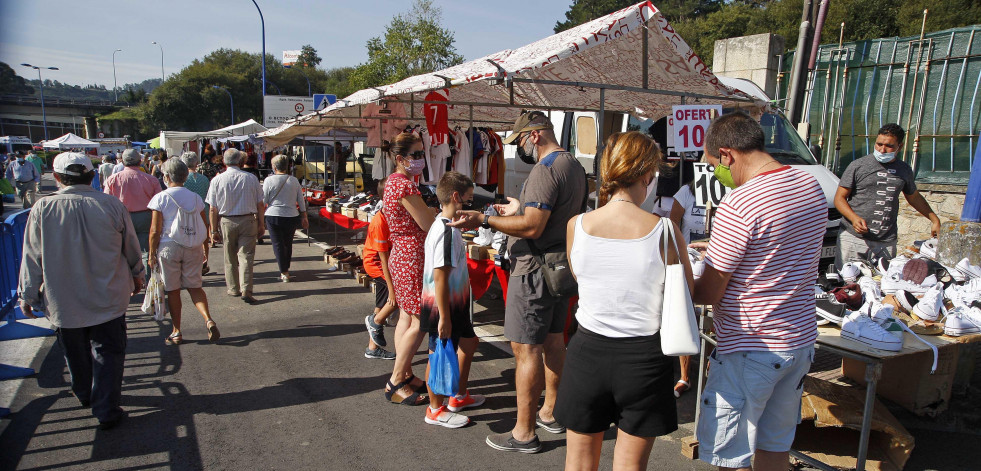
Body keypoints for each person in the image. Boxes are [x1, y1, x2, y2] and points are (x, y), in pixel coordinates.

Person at [692, 113, 826, 471]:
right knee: (774, 448)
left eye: (714, 165)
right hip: (798, 341)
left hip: (752, 346)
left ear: (727, 154)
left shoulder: (740, 203)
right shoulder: (809, 185)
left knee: (728, 456)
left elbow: (709, 291)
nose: (718, 174)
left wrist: (683, 278)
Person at [450, 111, 588, 453]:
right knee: (555, 341)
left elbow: (533, 227)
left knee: (526, 349)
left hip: (535, 270)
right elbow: (547, 216)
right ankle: (551, 413)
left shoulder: (545, 169)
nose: (521, 148)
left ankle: (524, 432)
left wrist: (485, 218)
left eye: (521, 140)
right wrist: (516, 209)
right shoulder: (573, 165)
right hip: (560, 266)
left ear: (535, 135)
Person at [555, 131, 691, 470]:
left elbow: (580, 277)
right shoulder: (665, 231)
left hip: (587, 353)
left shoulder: (577, 225)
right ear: (647, 174)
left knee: (579, 464)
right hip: (644, 358)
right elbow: (686, 290)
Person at [18, 152, 144, 430]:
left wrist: (27, 295)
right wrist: (138, 275)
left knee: (75, 353)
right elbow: (131, 247)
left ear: (59, 178)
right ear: (91, 176)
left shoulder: (43, 208)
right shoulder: (111, 205)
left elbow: (31, 256)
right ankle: (107, 408)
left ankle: (85, 394)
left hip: (64, 299)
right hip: (108, 296)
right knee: (109, 353)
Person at [419, 171, 485, 428]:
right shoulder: (446, 231)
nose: (470, 206)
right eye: (468, 201)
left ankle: (457, 396)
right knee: (437, 353)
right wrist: (444, 318)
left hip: (454, 304)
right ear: (456, 197)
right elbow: (440, 277)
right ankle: (435, 408)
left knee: (468, 343)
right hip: (443, 306)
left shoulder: (444, 225)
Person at [834, 123, 941, 268]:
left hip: (886, 242)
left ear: (900, 147)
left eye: (889, 146)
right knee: (848, 285)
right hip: (854, 238)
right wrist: (854, 219)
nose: (882, 150)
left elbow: (914, 197)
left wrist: (934, 220)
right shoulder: (857, 166)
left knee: (882, 285)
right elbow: (839, 198)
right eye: (879, 144)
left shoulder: (904, 170)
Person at [382, 132, 433, 406]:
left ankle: (406, 373)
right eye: (416, 155)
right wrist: (439, 212)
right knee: (418, 321)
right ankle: (396, 379)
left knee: (406, 317)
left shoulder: (393, 182)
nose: (421, 160)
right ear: (400, 159)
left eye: (421, 154)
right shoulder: (406, 186)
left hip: (402, 254)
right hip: (411, 255)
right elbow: (425, 222)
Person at [147, 159, 219, 345]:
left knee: (173, 290)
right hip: (192, 245)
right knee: (195, 287)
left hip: (168, 246)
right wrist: (205, 249)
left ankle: (177, 331)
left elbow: (155, 230)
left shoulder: (160, 198)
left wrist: (151, 253)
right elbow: (203, 225)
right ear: (185, 177)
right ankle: (208, 319)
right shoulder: (195, 198)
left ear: (166, 177)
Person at [206, 148, 265, 304]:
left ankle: (233, 288)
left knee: (230, 256)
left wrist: (213, 230)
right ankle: (246, 289)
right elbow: (260, 204)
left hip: (227, 221)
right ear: (240, 161)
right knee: (246, 256)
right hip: (248, 220)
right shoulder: (251, 178)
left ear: (224, 162)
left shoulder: (217, 180)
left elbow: (213, 208)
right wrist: (261, 223)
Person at [667, 160, 701, 398]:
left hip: (720, 259)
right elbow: (673, 224)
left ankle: (712, 365)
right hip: (690, 259)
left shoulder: (733, 191)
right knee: (686, 311)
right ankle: (684, 376)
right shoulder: (686, 192)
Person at [104, 148, 163, 278]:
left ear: (122, 162)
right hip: (146, 217)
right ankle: (148, 281)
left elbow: (107, 202)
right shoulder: (151, 180)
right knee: (148, 251)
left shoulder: (113, 179)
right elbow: (159, 202)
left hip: (122, 217)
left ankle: (128, 282)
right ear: (140, 161)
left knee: (123, 251)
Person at [263, 154, 308, 282]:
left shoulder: (268, 180)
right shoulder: (293, 180)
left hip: (273, 214)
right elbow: (301, 200)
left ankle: (284, 271)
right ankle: (285, 268)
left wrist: (259, 217)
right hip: (291, 215)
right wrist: (304, 216)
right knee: (288, 243)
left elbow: (263, 200)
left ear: (274, 167)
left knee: (277, 244)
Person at [181, 152, 213, 275]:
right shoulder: (204, 179)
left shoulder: (183, 180)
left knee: (188, 239)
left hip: (188, 212)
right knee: (203, 239)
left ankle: (190, 264)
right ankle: (204, 262)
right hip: (203, 210)